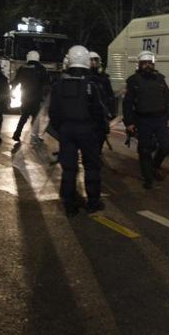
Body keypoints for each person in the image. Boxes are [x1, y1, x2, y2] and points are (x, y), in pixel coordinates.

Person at [48, 45, 109, 215]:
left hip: (67, 130)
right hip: (87, 129)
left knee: (69, 168)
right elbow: (98, 110)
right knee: (92, 167)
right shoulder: (91, 84)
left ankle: (69, 205)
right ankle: (93, 202)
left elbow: (53, 111)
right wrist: (101, 129)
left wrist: (61, 128)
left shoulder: (59, 84)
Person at [122, 51, 169, 189]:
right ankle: (148, 178)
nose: (147, 66)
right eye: (144, 63)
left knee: (165, 146)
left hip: (160, 118)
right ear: (139, 64)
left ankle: (155, 166)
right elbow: (127, 104)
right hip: (143, 120)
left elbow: (168, 100)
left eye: (150, 63)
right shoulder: (133, 81)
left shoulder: (160, 79)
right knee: (145, 150)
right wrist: (129, 122)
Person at [12, 50, 48, 144]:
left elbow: (15, 81)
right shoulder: (41, 69)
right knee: (35, 118)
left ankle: (17, 134)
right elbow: (46, 83)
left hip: (25, 97)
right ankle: (34, 136)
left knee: (23, 117)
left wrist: (12, 91)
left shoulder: (22, 68)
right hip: (36, 98)